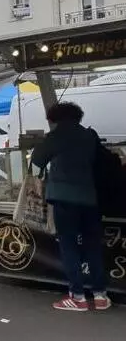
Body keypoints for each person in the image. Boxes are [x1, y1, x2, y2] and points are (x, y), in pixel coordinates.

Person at [31, 102, 111, 311]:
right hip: (90, 197)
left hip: (64, 199)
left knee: (69, 246)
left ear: (54, 118)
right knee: (93, 245)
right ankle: (100, 295)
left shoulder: (56, 137)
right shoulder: (88, 136)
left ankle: (77, 297)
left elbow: (36, 161)